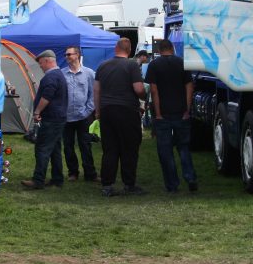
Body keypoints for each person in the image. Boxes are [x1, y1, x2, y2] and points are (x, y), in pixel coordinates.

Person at [95, 38, 146, 196]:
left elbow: (97, 90)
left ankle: (107, 185)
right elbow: (138, 89)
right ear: (129, 50)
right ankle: (129, 184)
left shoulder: (102, 66)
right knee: (129, 148)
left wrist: (98, 112)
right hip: (127, 111)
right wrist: (145, 97)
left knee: (110, 148)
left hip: (107, 111)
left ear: (115, 48)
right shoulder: (132, 65)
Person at [145, 39, 197, 193]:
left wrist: (158, 113)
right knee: (184, 148)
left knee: (165, 151)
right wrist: (186, 109)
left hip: (164, 114)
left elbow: (154, 91)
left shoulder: (154, 65)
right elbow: (189, 87)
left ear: (160, 50)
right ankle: (190, 177)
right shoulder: (182, 63)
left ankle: (172, 184)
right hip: (181, 112)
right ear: (173, 48)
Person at [21, 50, 68, 190]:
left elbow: (46, 97)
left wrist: (37, 111)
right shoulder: (59, 75)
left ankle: (38, 180)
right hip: (58, 118)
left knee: (42, 148)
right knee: (54, 149)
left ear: (47, 61)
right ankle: (57, 179)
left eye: (41, 63)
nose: (40, 66)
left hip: (51, 118)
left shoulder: (51, 77)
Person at [60, 45, 97, 182]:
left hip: (83, 116)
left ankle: (90, 173)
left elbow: (93, 93)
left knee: (85, 145)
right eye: (66, 55)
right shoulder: (62, 74)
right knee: (68, 146)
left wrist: (88, 111)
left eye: (69, 54)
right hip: (67, 117)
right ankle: (73, 172)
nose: (67, 57)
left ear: (77, 55)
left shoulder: (89, 73)